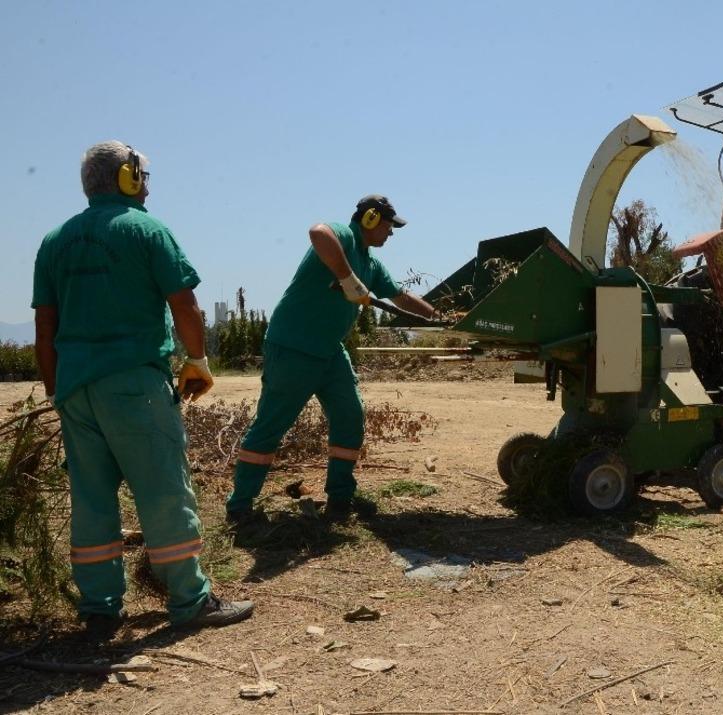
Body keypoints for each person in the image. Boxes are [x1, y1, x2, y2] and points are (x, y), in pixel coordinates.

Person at [32, 140, 254, 635]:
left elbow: (44, 331)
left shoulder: (54, 241)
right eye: (144, 176)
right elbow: (185, 306)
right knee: (163, 493)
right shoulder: (146, 230)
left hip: (75, 390)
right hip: (135, 383)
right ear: (130, 179)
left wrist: (58, 393)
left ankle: (99, 608)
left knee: (91, 500)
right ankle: (190, 600)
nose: (148, 186)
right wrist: (196, 360)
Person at [226, 195, 435, 522]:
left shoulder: (371, 263)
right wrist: (347, 278)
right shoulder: (344, 236)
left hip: (330, 352)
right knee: (270, 426)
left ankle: (340, 498)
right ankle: (240, 507)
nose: (391, 233)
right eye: (388, 225)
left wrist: (439, 318)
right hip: (294, 347)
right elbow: (318, 232)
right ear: (369, 219)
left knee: (350, 417)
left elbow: (401, 297)